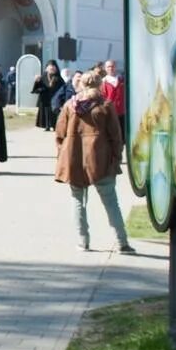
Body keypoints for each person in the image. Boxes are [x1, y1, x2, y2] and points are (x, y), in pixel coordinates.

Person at [53, 69, 134, 253]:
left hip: (74, 160)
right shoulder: (105, 105)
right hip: (101, 160)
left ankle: (83, 241)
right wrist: (116, 158)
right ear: (100, 85)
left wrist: (63, 154)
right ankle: (122, 242)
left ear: (81, 84)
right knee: (111, 202)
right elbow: (116, 136)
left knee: (78, 202)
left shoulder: (70, 105)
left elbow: (59, 134)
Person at [32, 61, 64, 132]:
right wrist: (37, 82)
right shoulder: (43, 76)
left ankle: (55, 125)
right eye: (50, 67)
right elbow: (37, 87)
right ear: (47, 68)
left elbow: (62, 88)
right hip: (45, 98)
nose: (51, 68)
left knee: (54, 112)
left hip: (55, 98)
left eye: (53, 67)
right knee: (46, 112)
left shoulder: (58, 77)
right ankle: (47, 126)